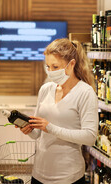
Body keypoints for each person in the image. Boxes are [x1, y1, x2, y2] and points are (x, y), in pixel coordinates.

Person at [19, 38, 99, 184]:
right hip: (39, 174)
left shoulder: (85, 93)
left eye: (55, 67)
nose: (50, 72)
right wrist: (29, 129)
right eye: (48, 67)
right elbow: (38, 133)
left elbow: (90, 137)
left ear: (72, 64)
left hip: (68, 177)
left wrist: (50, 128)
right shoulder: (45, 89)